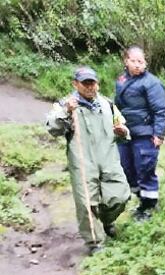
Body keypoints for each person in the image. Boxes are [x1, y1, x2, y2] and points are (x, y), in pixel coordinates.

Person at [45, 66, 132, 254]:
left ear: (97, 84)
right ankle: (95, 243)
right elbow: (52, 128)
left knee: (121, 195)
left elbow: (123, 126)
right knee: (87, 204)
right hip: (83, 162)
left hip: (108, 158)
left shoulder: (107, 104)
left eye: (92, 83)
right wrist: (67, 111)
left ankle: (107, 221)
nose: (90, 87)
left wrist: (122, 132)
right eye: (85, 83)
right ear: (75, 84)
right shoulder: (66, 105)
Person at [115, 45, 165, 221]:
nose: (137, 65)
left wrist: (159, 134)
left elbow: (161, 111)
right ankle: (141, 200)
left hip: (145, 134)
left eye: (141, 61)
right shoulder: (121, 80)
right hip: (125, 133)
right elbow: (118, 106)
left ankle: (148, 207)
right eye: (133, 61)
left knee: (145, 169)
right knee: (126, 169)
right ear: (126, 61)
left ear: (145, 63)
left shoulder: (152, 83)